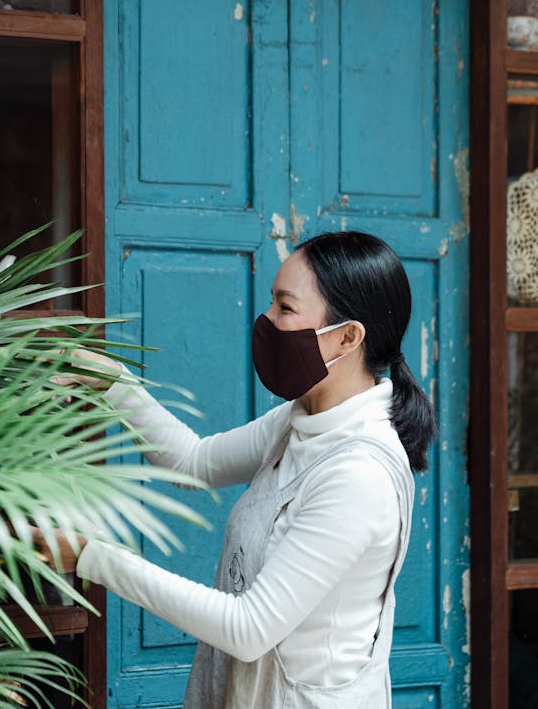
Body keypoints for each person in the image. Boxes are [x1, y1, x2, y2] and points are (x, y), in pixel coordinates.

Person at [38, 231, 436, 708]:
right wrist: (109, 379)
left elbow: (249, 629)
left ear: (348, 337)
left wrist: (92, 557)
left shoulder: (358, 474)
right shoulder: (299, 420)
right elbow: (193, 461)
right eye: (271, 302)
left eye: (285, 308)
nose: (265, 321)